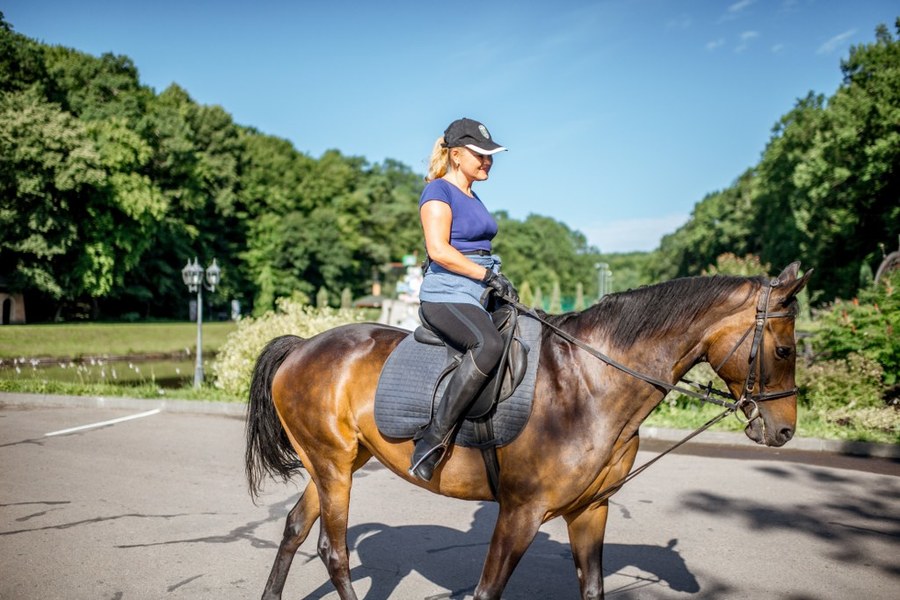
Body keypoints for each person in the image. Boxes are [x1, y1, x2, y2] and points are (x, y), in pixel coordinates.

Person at [409, 117, 518, 482]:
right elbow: (438, 250)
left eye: (491, 156)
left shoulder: (472, 194)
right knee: (486, 345)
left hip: (478, 291)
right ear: (456, 155)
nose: (488, 161)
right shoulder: (438, 192)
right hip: (447, 294)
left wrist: (495, 279)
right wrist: (487, 275)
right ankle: (432, 440)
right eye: (480, 155)